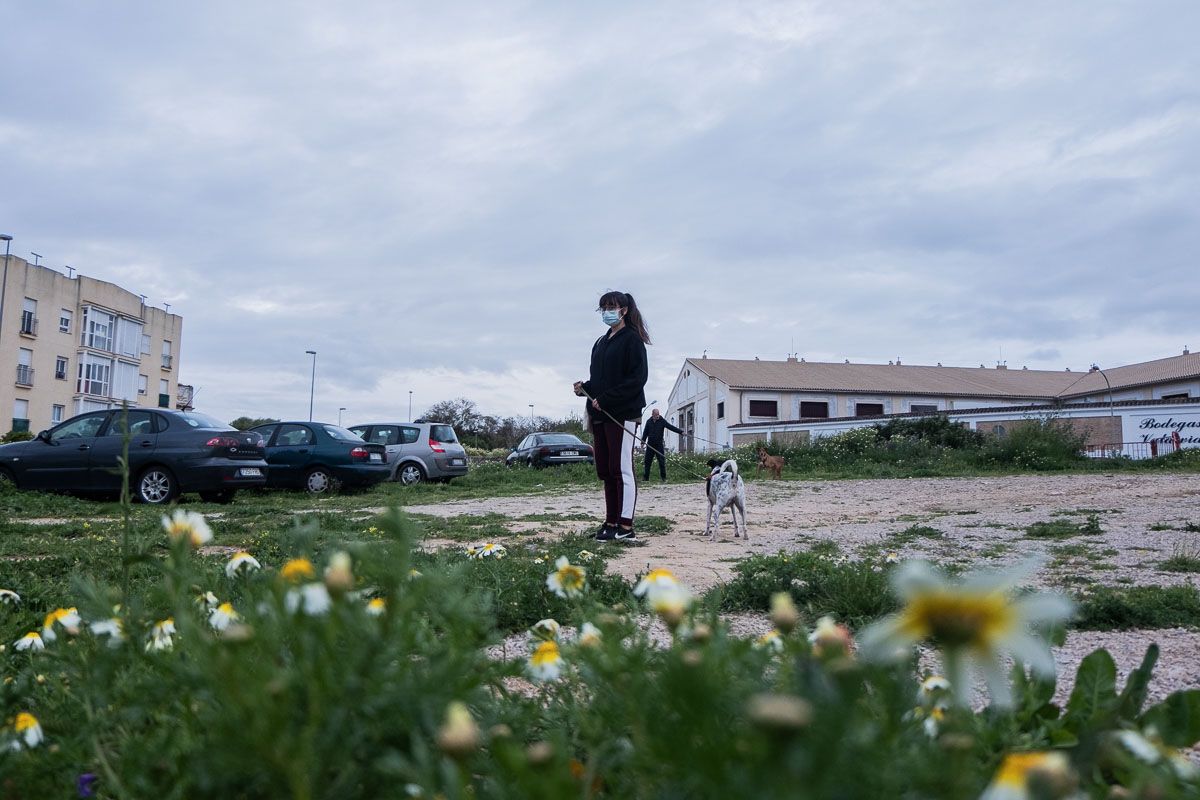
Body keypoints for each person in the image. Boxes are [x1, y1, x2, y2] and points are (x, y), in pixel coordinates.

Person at [574, 291, 650, 542]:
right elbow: (600, 380)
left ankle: (626, 526)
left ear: (624, 310)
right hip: (599, 415)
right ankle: (611, 522)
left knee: (622, 470)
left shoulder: (632, 340)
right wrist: (585, 388)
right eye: (603, 308)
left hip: (623, 414)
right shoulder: (601, 342)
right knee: (606, 471)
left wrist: (606, 398)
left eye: (612, 307)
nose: (607, 311)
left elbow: (637, 380)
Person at [641, 408, 682, 482]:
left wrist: (681, 432)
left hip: (659, 445)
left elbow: (670, 427)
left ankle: (664, 478)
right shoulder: (648, 421)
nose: (657, 416)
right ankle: (645, 478)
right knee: (647, 461)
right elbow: (645, 432)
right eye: (656, 414)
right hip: (650, 444)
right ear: (652, 414)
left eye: (658, 414)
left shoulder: (662, 421)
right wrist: (642, 442)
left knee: (661, 461)